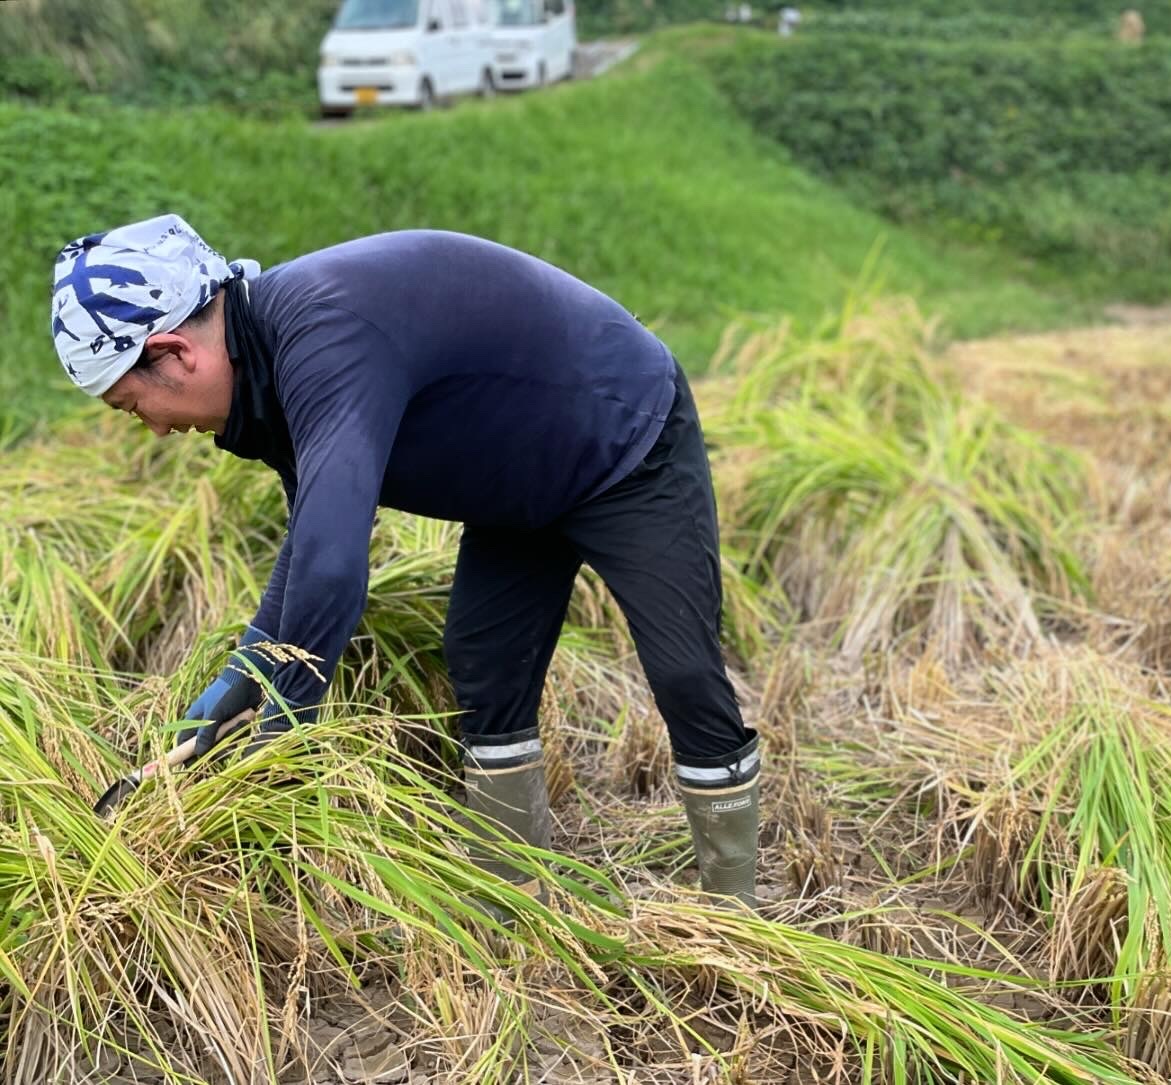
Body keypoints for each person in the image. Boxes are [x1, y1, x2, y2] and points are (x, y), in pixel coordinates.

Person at [49, 215, 762, 907]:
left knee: (684, 671)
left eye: (132, 405)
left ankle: (732, 914)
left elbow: (334, 566)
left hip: (625, 436)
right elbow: (312, 537)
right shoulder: (264, 367)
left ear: (176, 352)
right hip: (514, 481)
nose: (155, 428)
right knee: (484, 665)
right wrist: (248, 671)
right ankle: (515, 899)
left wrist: (284, 731)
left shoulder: (323, 336)